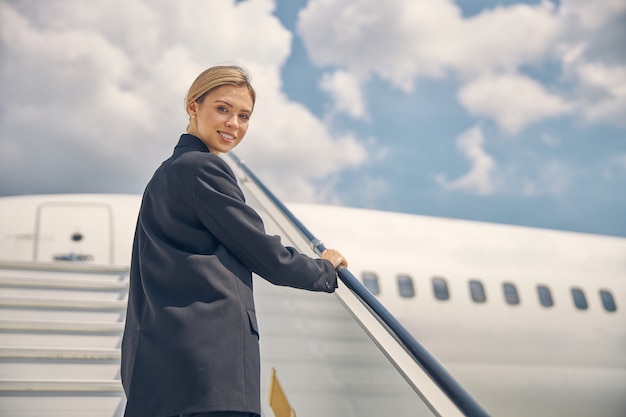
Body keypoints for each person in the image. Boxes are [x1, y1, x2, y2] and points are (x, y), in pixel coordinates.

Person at [120, 65, 347, 417]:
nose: (234, 124)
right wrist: (323, 269)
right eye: (223, 109)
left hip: (163, 373)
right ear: (193, 107)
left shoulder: (164, 176)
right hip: (209, 369)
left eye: (244, 116)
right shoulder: (202, 168)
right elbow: (262, 251)